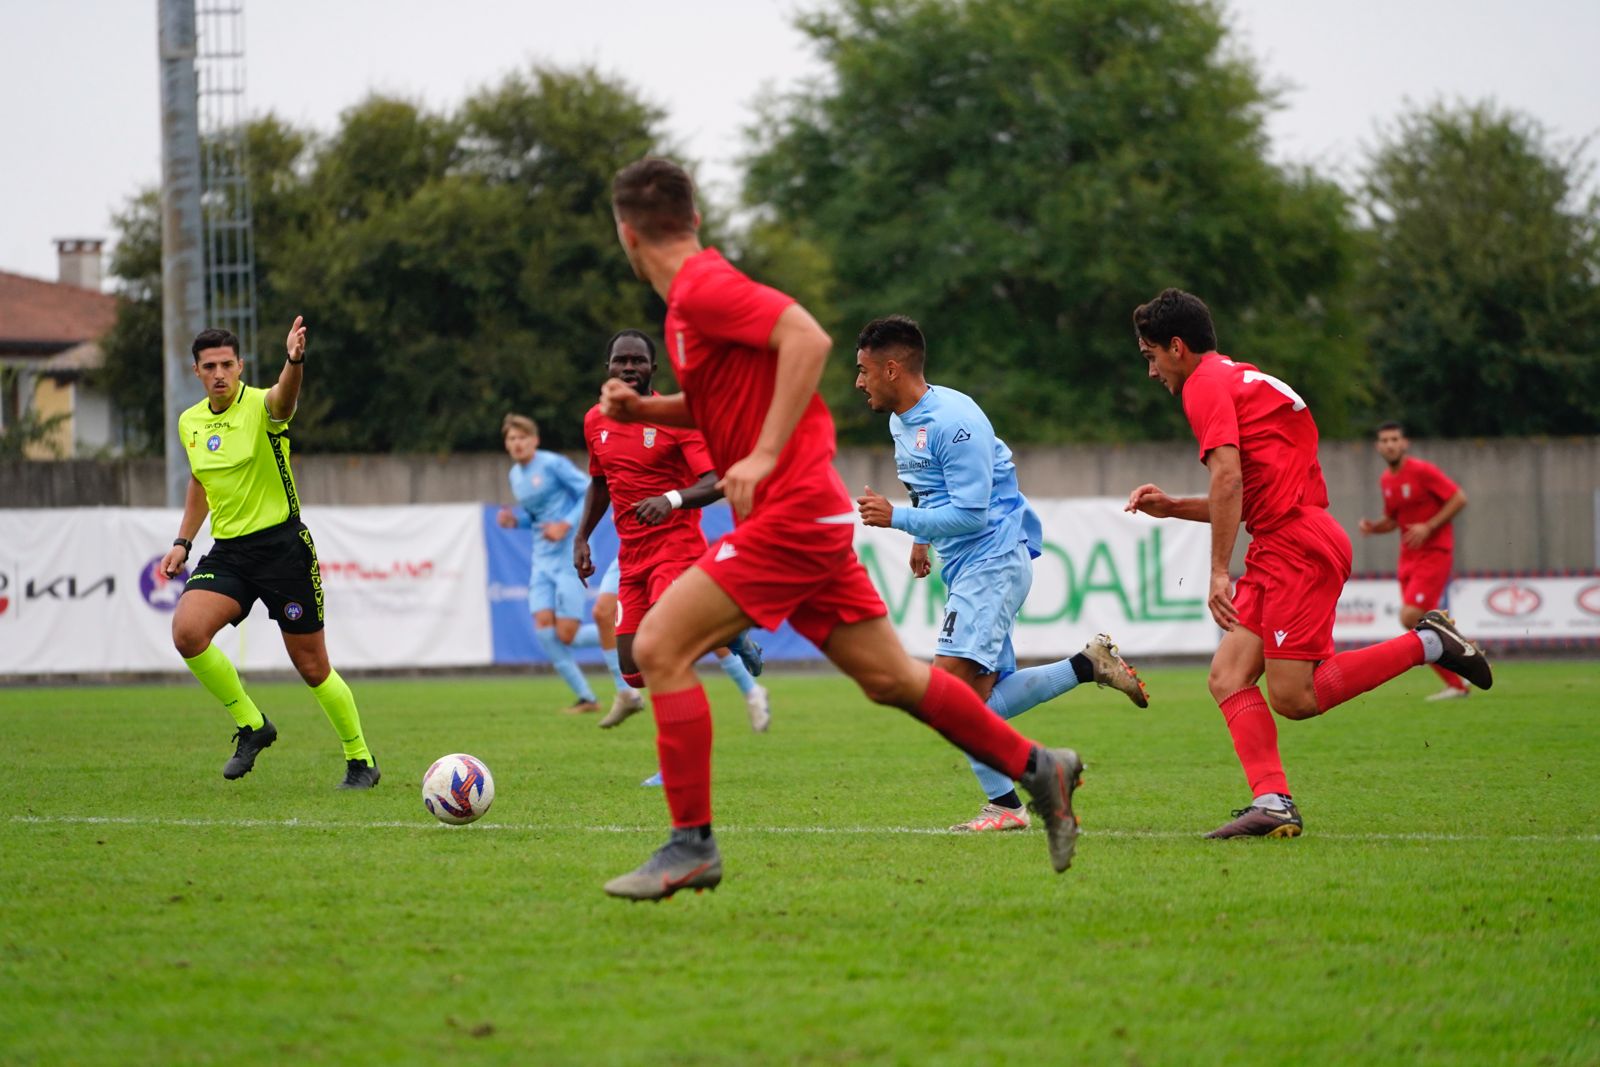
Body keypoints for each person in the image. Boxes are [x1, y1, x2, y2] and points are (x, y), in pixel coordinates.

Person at [599, 156, 1085, 900]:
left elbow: (807, 339)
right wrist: (646, 411)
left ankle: (690, 845)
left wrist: (763, 455)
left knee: (659, 642)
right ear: (691, 219)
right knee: (893, 678)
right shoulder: (687, 308)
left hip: (792, 512)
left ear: (626, 235)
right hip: (809, 512)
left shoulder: (701, 285)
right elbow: (721, 407)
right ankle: (1038, 768)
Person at [1124, 288, 1491, 838]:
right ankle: (1271, 802)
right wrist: (1174, 507)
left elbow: (1228, 479)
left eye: (1150, 355)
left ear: (1177, 347)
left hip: (1296, 545)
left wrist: (1218, 571)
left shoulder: (1202, 386)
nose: (1151, 370)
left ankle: (1430, 643)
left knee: (1295, 697)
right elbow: (1246, 492)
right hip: (1286, 540)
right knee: (1227, 676)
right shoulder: (1239, 377)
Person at [852, 315, 1148, 832]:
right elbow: (929, 487)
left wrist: (897, 518)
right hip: (967, 563)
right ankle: (1087, 666)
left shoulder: (955, 422)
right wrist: (922, 539)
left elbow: (970, 513)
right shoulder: (901, 419)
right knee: (980, 703)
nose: (859, 383)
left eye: (863, 371)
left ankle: (1010, 804)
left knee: (946, 696)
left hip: (993, 558)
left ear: (892, 369)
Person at [159, 319, 379, 789]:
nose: (219, 373)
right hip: (230, 554)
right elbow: (200, 480)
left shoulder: (262, 404)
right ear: (196, 372)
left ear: (240, 366)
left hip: (283, 550)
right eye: (209, 366)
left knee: (312, 666)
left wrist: (294, 360)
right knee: (187, 632)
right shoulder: (190, 422)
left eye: (226, 364)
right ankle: (253, 726)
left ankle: (360, 759)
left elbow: (285, 397)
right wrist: (183, 541)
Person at [572, 328, 770, 746]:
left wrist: (672, 498)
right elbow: (599, 483)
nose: (628, 368)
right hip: (632, 559)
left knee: (664, 651)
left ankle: (680, 756)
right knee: (634, 671)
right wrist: (582, 537)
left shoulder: (673, 418)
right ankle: (725, 629)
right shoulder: (594, 420)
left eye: (637, 361)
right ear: (607, 367)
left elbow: (718, 480)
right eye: (620, 360)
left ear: (653, 370)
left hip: (676, 549)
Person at [1358, 422, 1471, 701]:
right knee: (1420, 622)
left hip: (1434, 552)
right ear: (1378, 446)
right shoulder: (1387, 480)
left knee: (1411, 616)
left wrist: (1429, 526)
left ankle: (1463, 663)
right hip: (1407, 556)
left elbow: (1459, 498)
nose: (1390, 444)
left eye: (1395, 439)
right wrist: (1374, 528)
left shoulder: (1421, 471)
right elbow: (1394, 520)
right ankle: (1458, 679)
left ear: (1405, 443)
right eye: (1384, 440)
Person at [496, 414, 601, 713]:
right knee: (543, 628)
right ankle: (587, 698)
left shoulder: (553, 464)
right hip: (541, 559)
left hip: (568, 553)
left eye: (522, 438)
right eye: (511, 439)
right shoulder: (515, 475)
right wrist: (514, 520)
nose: (517, 444)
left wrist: (567, 526)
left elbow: (590, 492)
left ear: (535, 440)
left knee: (567, 634)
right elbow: (537, 518)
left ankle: (624, 632)